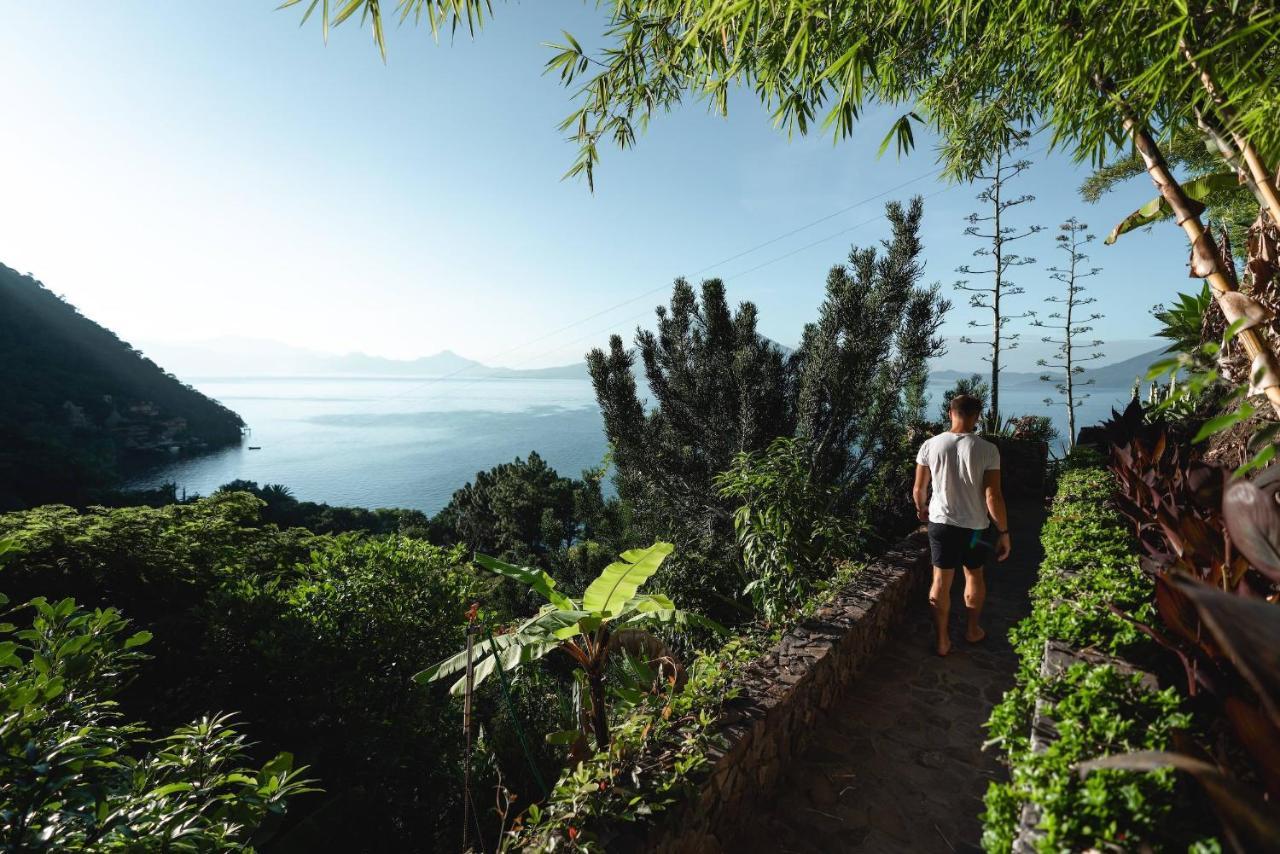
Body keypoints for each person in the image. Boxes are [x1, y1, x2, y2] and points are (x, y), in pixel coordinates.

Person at [912, 394, 1011, 657]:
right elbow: (993, 496)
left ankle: (942, 641)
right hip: (975, 528)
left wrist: (921, 508)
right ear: (977, 416)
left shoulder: (930, 445)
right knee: (973, 575)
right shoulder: (988, 450)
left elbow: (919, 488)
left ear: (950, 412)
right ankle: (972, 630)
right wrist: (1003, 531)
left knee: (941, 581)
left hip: (941, 524)